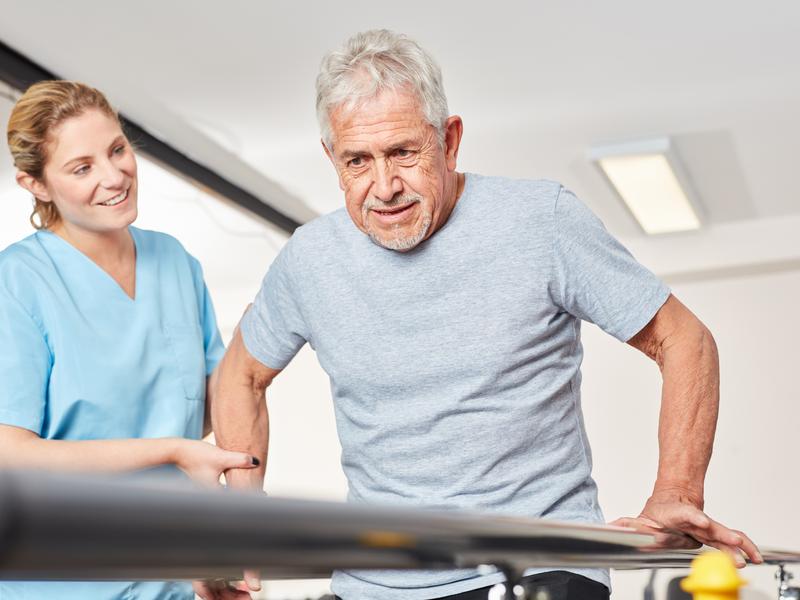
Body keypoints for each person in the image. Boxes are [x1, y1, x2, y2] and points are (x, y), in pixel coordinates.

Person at [211, 30, 761, 600]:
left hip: (539, 565)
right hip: (375, 582)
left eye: (403, 152)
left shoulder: (539, 222)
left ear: (449, 141)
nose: (385, 186)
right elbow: (240, 375)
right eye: (357, 161)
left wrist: (677, 490)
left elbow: (684, 338)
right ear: (332, 158)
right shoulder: (310, 258)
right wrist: (245, 513)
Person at [0, 80, 260, 600]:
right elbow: (11, 452)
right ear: (37, 185)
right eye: (82, 167)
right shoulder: (18, 282)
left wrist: (253, 355)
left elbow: (203, 408)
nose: (115, 175)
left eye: (117, 149)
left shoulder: (175, 263)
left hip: (174, 571)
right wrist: (170, 451)